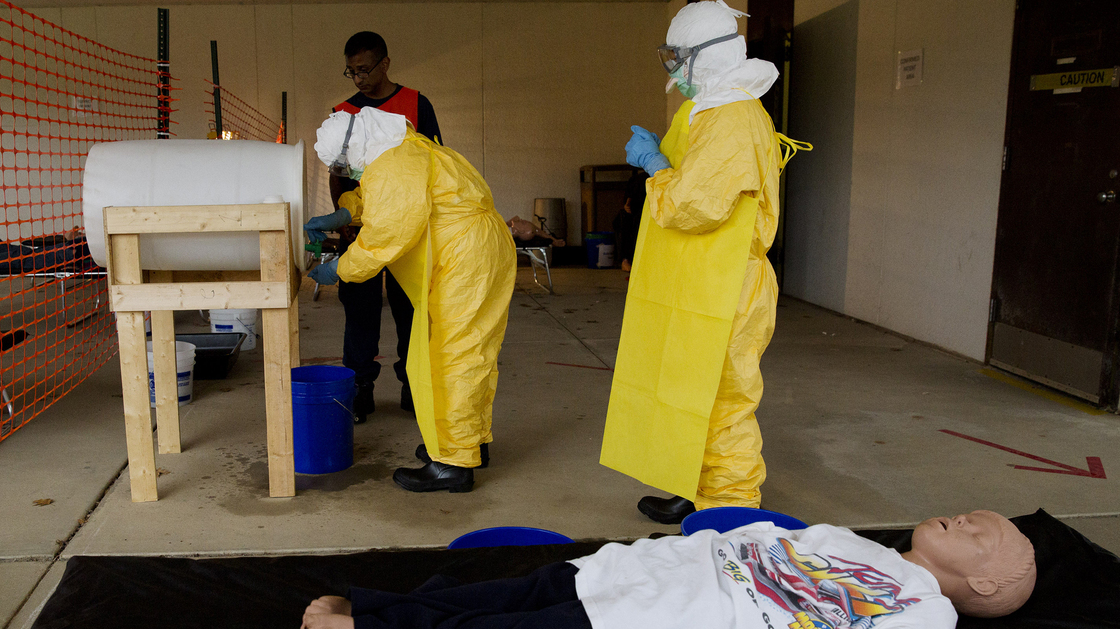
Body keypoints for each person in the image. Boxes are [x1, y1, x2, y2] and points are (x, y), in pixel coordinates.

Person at [600, 0, 811, 524]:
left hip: (727, 281)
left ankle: (729, 511)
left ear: (704, 57)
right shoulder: (712, 108)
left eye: (676, 57)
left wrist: (654, 166)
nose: (671, 67)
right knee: (687, 390)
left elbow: (695, 205)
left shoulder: (732, 117)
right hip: (701, 277)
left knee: (722, 402)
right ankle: (693, 487)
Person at [299, 510, 1036, 628]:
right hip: (629, 570)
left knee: (512, 624)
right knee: (496, 594)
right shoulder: (855, 539)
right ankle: (369, 611)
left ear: (989, 586)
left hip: (662, 615)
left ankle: (360, 622)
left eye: (985, 533)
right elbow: (741, 536)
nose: (967, 517)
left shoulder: (925, 610)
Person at [309, 106, 515, 493]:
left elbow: (386, 235)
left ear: (354, 147)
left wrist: (339, 269)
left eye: (342, 164)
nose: (346, 171)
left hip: (464, 258)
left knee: (453, 356)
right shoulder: (399, 147)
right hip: (475, 250)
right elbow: (378, 196)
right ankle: (469, 444)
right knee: (470, 352)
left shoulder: (394, 162)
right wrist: (344, 213)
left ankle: (453, 464)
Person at [304, 31, 443, 424]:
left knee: (410, 309)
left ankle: (413, 387)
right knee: (359, 312)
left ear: (385, 64)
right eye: (351, 72)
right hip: (361, 223)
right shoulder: (344, 110)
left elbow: (432, 163)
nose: (358, 79)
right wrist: (342, 217)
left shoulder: (416, 104)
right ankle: (360, 389)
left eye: (364, 70)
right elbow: (339, 174)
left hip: (408, 229)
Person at [611, 170, 647, 272]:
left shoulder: (637, 179)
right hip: (644, 213)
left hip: (636, 213)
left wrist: (628, 204)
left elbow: (628, 203)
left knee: (627, 222)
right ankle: (626, 260)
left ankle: (625, 260)